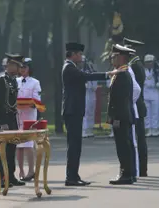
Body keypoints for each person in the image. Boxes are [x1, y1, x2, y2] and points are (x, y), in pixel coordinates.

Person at [62, 42, 113, 186]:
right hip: (72, 111)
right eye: (79, 54)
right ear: (73, 54)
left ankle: (74, 175)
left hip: (75, 110)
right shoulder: (69, 68)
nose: (81, 56)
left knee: (76, 145)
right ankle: (71, 177)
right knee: (74, 145)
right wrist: (108, 74)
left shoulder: (72, 67)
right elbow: (86, 76)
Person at [0, 53, 25, 186]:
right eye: (17, 66)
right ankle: (0, 177)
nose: (20, 70)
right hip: (4, 118)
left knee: (12, 148)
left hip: (12, 117)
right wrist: (3, 122)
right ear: (10, 66)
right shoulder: (1, 80)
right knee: (2, 149)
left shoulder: (13, 80)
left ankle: (10, 175)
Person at [108, 44, 136, 185]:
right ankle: (128, 173)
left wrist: (116, 118)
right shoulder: (121, 73)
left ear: (121, 58)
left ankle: (126, 174)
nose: (112, 59)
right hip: (123, 115)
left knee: (123, 146)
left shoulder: (122, 75)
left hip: (121, 116)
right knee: (125, 144)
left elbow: (120, 100)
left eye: (114, 56)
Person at [123, 37, 148, 177]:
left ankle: (141, 169)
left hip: (136, 105)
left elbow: (135, 89)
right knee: (140, 138)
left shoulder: (134, 66)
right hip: (138, 104)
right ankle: (141, 169)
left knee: (138, 139)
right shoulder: (136, 64)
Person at [16, 58, 40, 181]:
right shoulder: (15, 81)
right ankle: (21, 170)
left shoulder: (35, 82)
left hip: (29, 115)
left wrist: (25, 104)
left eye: (25, 67)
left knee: (28, 144)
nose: (22, 70)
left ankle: (31, 170)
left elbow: (36, 100)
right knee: (19, 144)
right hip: (18, 114)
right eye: (21, 67)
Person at [143, 54, 159, 137]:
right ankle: (148, 129)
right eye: (147, 62)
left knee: (156, 112)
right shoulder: (142, 70)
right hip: (145, 93)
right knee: (146, 113)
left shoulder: (158, 70)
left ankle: (155, 129)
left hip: (155, 93)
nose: (149, 64)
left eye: (150, 62)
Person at [81, 55, 98, 138]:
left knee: (91, 111)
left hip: (92, 93)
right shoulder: (79, 71)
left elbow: (95, 84)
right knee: (85, 112)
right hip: (84, 94)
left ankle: (90, 129)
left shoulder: (91, 71)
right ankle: (84, 130)